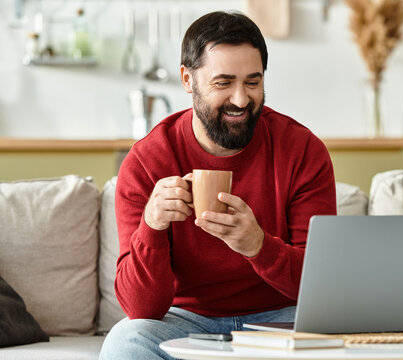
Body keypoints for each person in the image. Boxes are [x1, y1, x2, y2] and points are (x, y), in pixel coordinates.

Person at [99, 10, 336, 360]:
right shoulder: (147, 160)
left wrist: (259, 246)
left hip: (283, 320)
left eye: (253, 83)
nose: (241, 100)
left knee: (347, 338)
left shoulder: (301, 150)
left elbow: (323, 283)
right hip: (186, 321)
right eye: (223, 83)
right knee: (126, 342)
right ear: (187, 79)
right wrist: (151, 226)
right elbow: (141, 308)